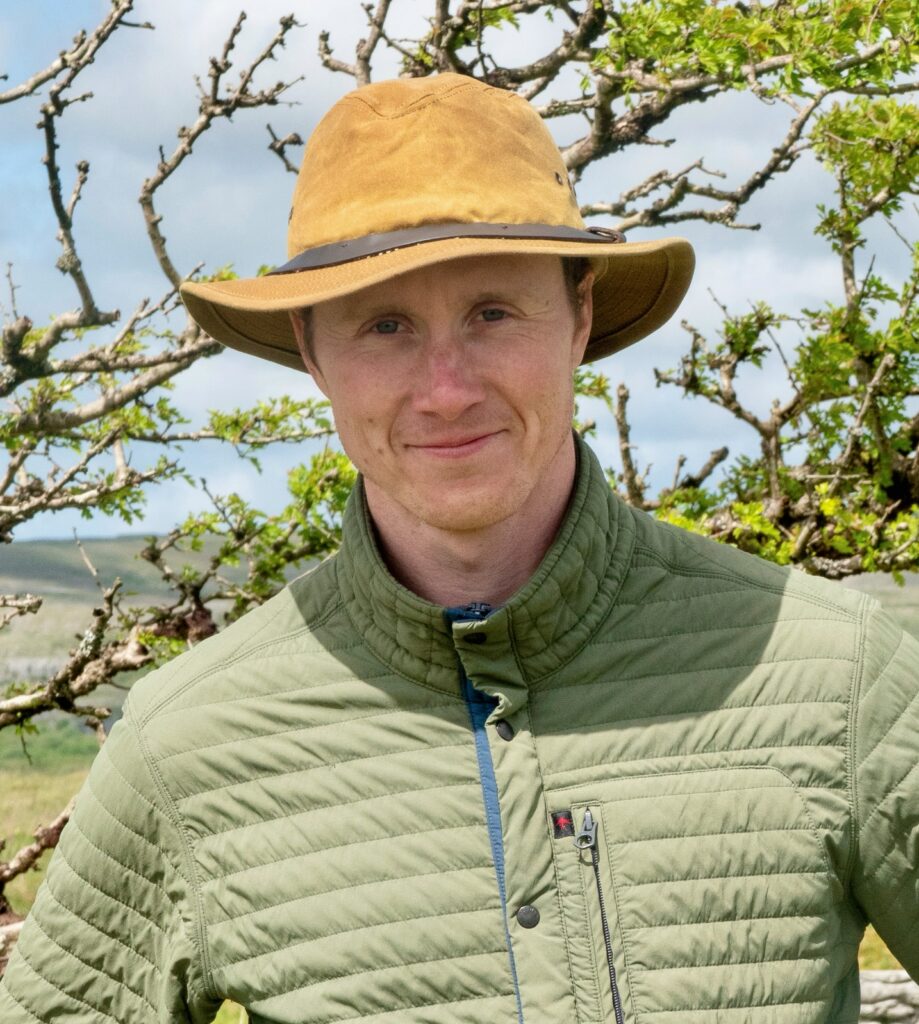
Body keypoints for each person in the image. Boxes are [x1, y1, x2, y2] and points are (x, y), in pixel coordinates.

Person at [1, 72, 916, 1024]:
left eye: (492, 313)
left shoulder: (837, 675)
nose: (446, 390)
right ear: (312, 352)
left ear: (580, 316)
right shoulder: (184, 744)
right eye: (384, 326)